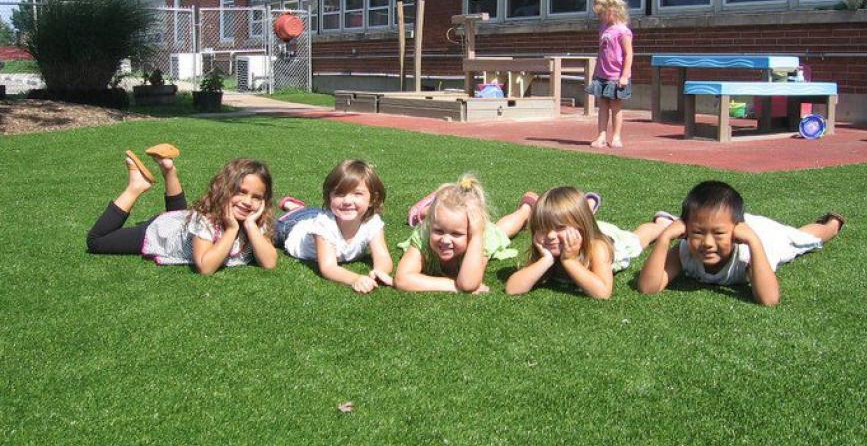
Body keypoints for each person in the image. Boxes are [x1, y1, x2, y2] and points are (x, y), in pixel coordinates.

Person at [637, 180, 845, 306]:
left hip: (765, 236)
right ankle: (668, 223)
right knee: (707, 224)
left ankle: (832, 225)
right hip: (727, 224)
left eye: (717, 234)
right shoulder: (687, 248)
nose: (708, 243)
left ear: (735, 232)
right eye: (698, 232)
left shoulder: (747, 252)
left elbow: (769, 300)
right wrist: (664, 238)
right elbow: (648, 288)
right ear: (685, 231)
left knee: (798, 238)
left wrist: (754, 241)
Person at [86, 146, 277, 275]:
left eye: (256, 197)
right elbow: (205, 266)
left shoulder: (256, 219)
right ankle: (136, 185)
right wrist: (232, 229)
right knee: (97, 242)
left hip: (181, 221)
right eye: (241, 192)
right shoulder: (206, 220)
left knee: (179, 215)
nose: (247, 202)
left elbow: (269, 263)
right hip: (163, 232)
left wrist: (251, 225)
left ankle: (168, 169)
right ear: (225, 189)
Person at [506, 186, 674, 299]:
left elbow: (603, 292)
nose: (550, 235)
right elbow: (512, 289)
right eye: (542, 228)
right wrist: (546, 260)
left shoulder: (598, 248)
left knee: (637, 239)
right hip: (585, 229)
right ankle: (587, 208)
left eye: (559, 227)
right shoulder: (546, 248)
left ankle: (661, 224)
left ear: (580, 227)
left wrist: (569, 260)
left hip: (611, 240)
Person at [394, 175, 535, 294]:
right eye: (439, 231)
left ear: (470, 233)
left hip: (482, 234)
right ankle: (423, 210)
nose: (446, 240)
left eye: (456, 234)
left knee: (501, 231)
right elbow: (402, 279)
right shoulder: (424, 234)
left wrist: (477, 236)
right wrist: (453, 285)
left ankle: (525, 210)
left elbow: (468, 284)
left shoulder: (480, 239)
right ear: (431, 226)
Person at [274, 159, 393, 294]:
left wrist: (380, 272)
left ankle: (296, 207)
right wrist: (355, 278)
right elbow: (328, 267)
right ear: (329, 196)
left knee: (312, 213)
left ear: (372, 199)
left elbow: (382, 256)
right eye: (339, 194)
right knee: (265, 228)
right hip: (293, 226)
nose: (347, 201)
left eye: (357, 194)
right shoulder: (324, 225)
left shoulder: (372, 222)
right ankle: (294, 208)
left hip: (320, 214)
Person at [587, 0, 634, 149]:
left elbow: (628, 54)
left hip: (616, 76)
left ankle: (616, 136)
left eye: (602, 13)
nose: (600, 17)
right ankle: (601, 136)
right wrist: (595, 72)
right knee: (602, 107)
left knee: (616, 107)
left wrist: (624, 75)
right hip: (602, 74)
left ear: (612, 10)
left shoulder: (623, 31)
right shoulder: (603, 29)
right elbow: (601, 52)